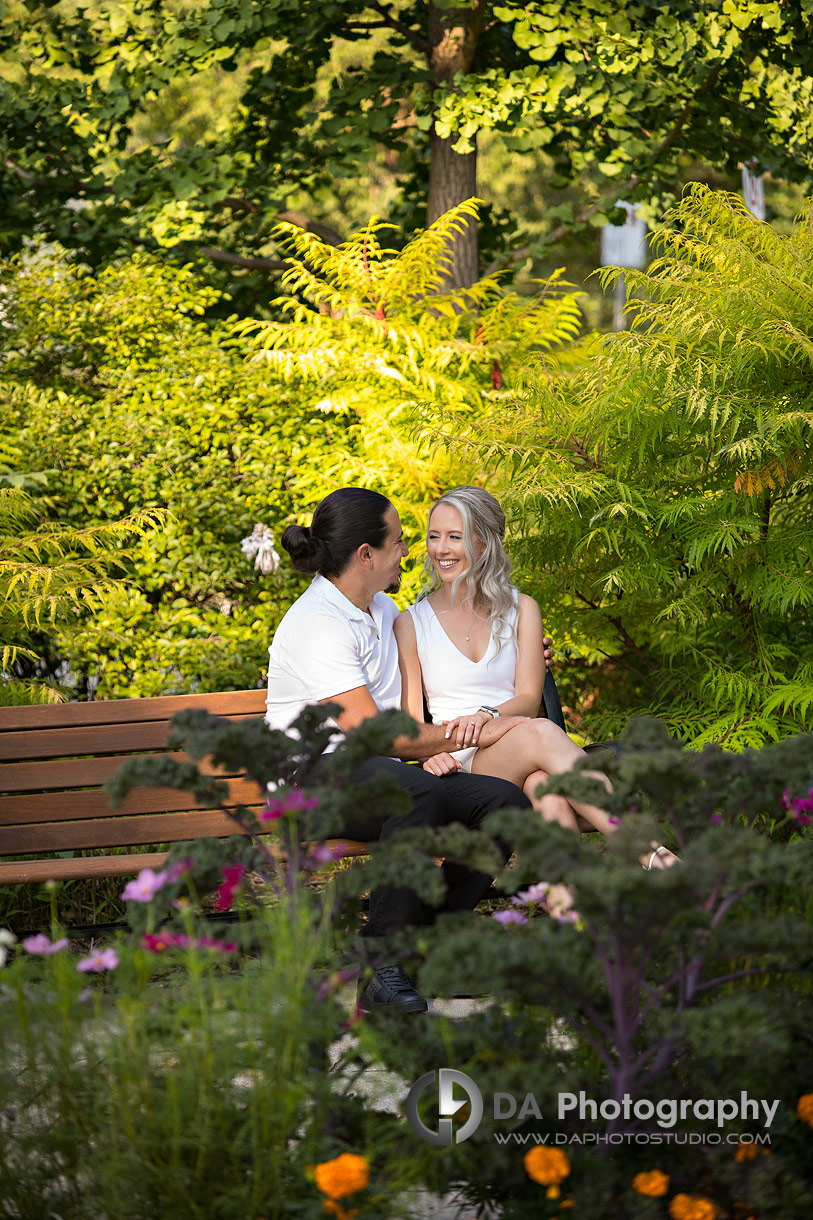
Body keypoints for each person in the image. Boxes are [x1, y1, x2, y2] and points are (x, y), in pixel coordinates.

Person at [264, 487, 535, 1015]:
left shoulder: (382, 609)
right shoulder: (316, 624)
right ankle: (380, 965)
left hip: (379, 772)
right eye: (399, 542)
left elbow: (444, 654)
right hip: (310, 778)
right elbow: (376, 733)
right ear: (366, 554)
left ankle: (427, 948)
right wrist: (475, 733)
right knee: (414, 792)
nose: (408, 552)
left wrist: (526, 649)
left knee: (504, 804)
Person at [393, 486, 679, 893]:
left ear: (484, 541)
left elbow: (528, 699)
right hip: (462, 762)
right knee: (543, 734)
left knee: (545, 788)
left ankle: (570, 912)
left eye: (455, 536)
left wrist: (489, 716)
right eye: (434, 536)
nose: (441, 549)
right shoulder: (410, 622)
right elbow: (410, 720)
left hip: (516, 741)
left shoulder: (521, 608)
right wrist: (430, 755)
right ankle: (650, 854)